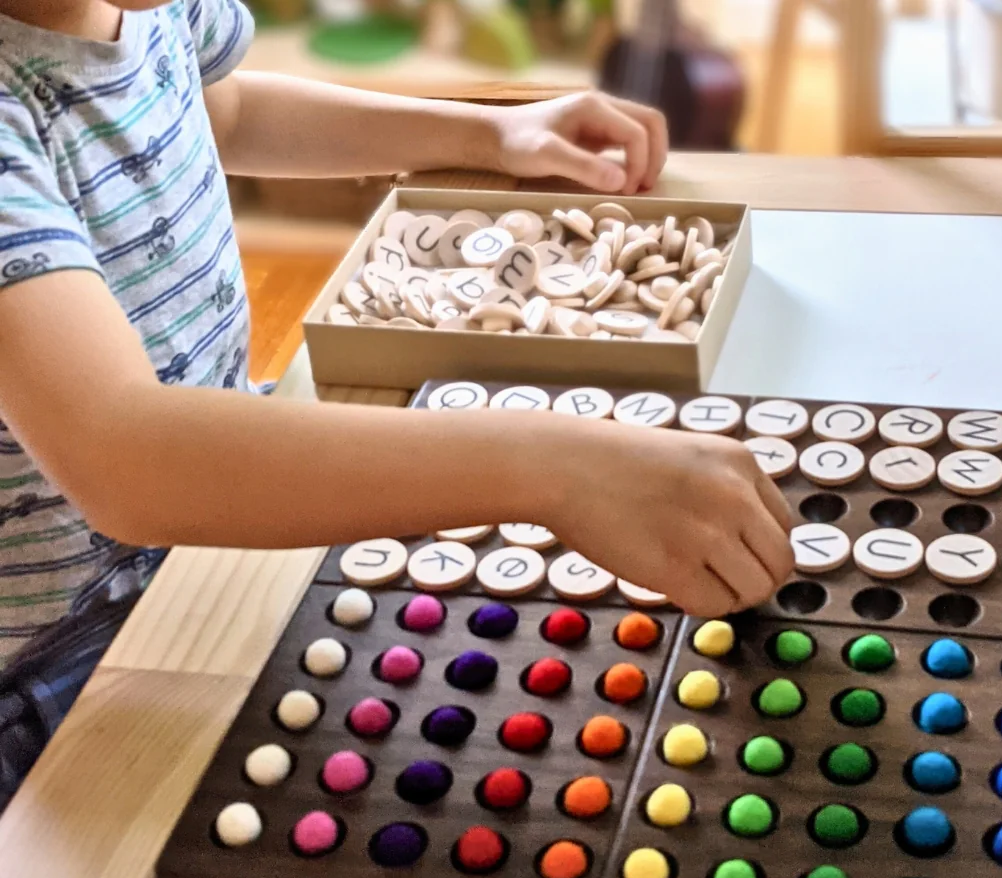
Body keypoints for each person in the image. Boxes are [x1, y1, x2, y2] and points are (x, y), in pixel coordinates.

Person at [0, 0, 794, 807]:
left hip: (210, 513)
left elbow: (227, 106)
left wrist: (484, 135)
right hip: (62, 654)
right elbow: (126, 460)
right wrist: (557, 466)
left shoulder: (143, 6)